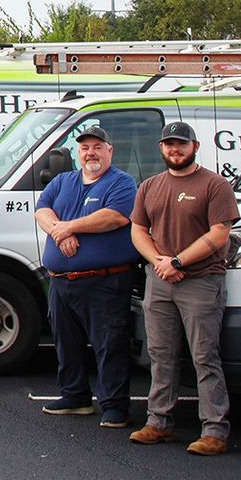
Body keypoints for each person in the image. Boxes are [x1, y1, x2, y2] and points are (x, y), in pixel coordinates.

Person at [129, 121, 238, 456]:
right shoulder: (150, 186)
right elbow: (138, 230)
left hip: (201, 281)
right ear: (161, 148)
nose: (174, 150)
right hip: (160, 282)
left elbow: (219, 234)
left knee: (205, 356)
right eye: (168, 145)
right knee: (160, 355)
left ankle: (215, 431)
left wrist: (177, 262)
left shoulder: (215, 185)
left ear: (195, 147)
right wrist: (160, 263)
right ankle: (159, 423)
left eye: (181, 144)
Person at [34, 126, 140, 428]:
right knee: (66, 343)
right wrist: (59, 230)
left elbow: (115, 217)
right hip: (61, 280)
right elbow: (42, 210)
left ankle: (114, 406)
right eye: (84, 148)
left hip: (104, 281)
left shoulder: (121, 183)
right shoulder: (62, 181)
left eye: (97, 146)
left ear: (110, 151)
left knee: (109, 344)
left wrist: (69, 227)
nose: (90, 153)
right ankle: (75, 396)